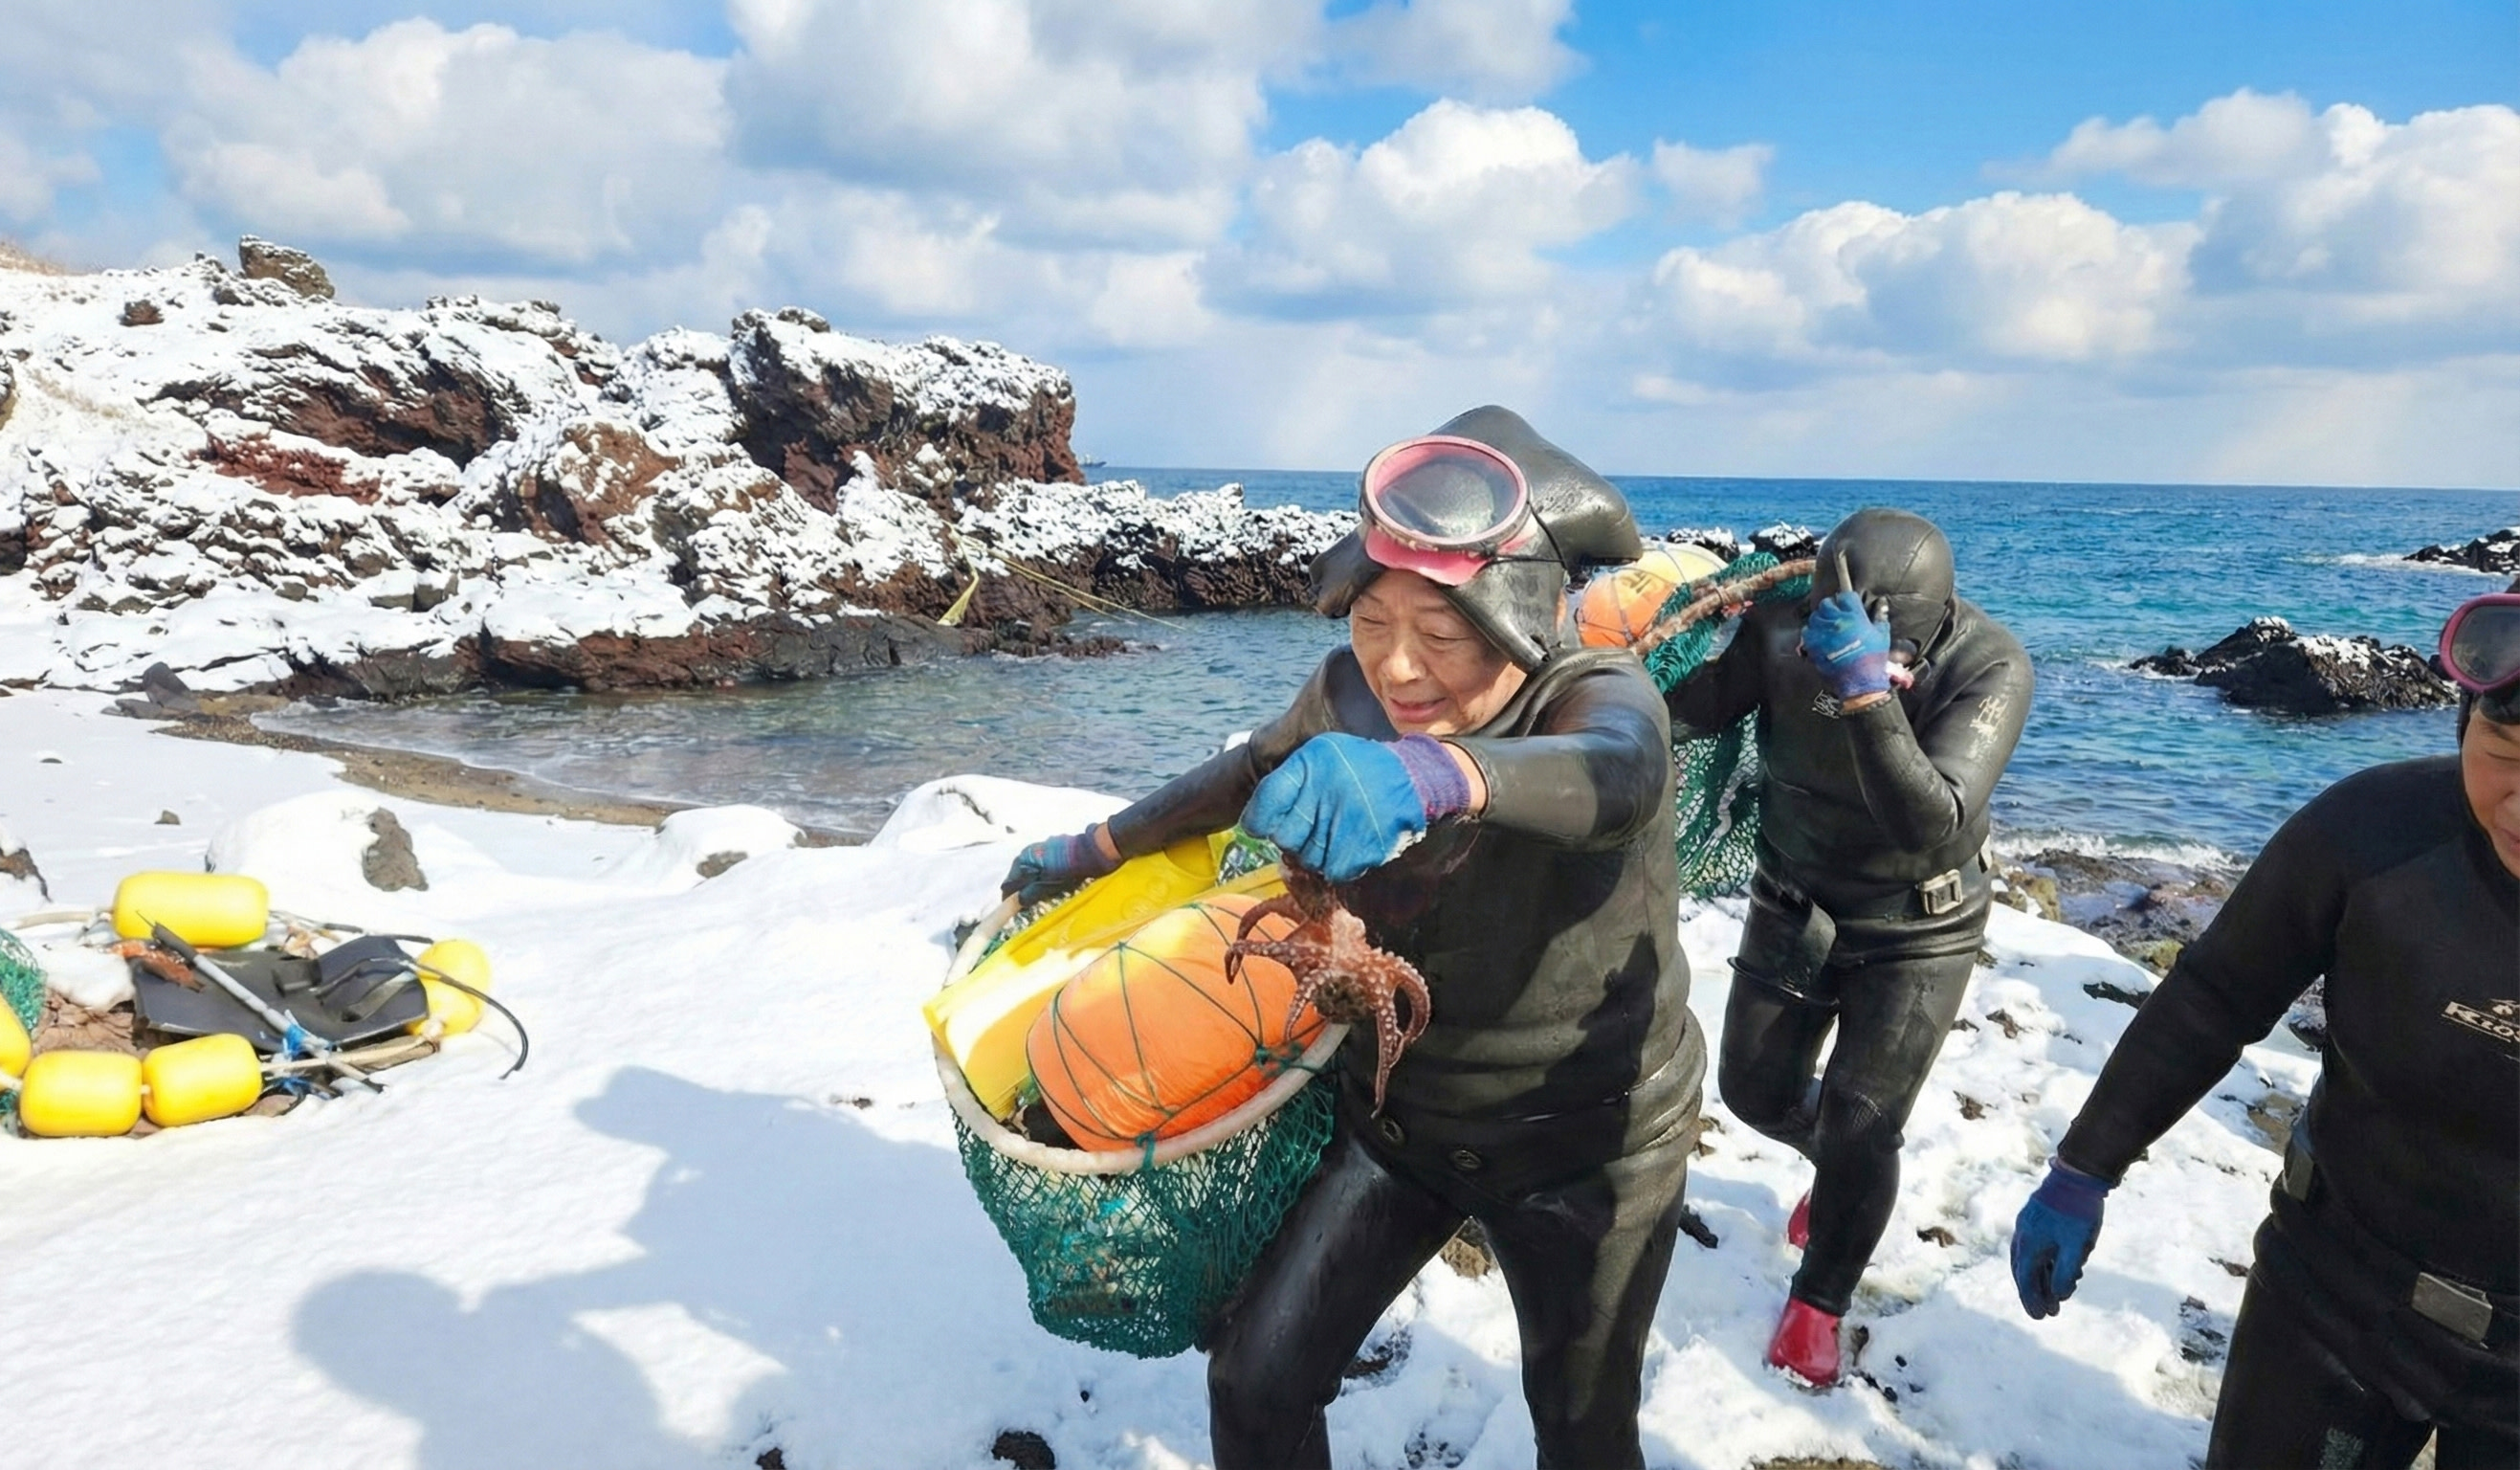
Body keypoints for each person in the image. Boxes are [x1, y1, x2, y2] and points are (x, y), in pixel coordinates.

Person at [1002, 407, 1704, 1470]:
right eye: (1374, 626)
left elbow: (1620, 773)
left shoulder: (1597, 701)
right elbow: (1237, 779)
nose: (1400, 671)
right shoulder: (1344, 700)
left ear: (1524, 622)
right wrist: (1091, 847)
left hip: (1589, 1139)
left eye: (1443, 635)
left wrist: (1447, 774)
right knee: (1255, 1382)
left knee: (1581, 1422)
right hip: (1399, 1116)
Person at [2010, 579, 2520, 1470]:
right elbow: (2215, 996)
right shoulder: (2373, 835)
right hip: (2337, 1300)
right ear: (2463, 723)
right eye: (2504, 745)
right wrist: (2084, 1166)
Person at [1661, 507, 2032, 1386]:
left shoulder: (1991, 665)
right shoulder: (1783, 626)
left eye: (1883, 625)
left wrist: (1869, 693)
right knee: (1754, 1093)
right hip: (1793, 899)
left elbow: (1930, 818)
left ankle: (1820, 1298)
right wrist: (1597, 690)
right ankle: (1843, 1172)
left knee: (1865, 1120)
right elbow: (1699, 708)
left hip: (1919, 924)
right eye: (1843, 612)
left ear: (1934, 616)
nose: (1856, 634)